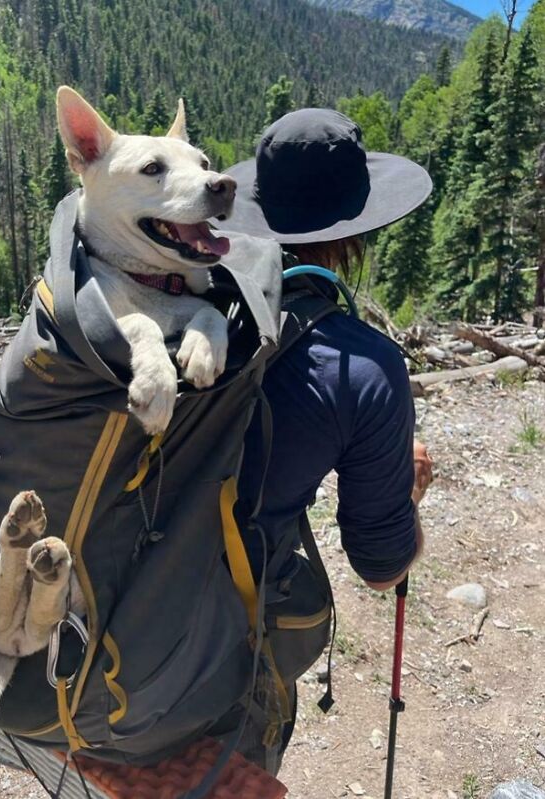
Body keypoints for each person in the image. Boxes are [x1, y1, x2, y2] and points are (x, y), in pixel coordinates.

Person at [221, 108, 434, 768]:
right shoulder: (364, 366)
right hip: (223, 666)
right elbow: (380, 566)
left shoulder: (185, 305)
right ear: (353, 234)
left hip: (94, 629)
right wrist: (409, 492)